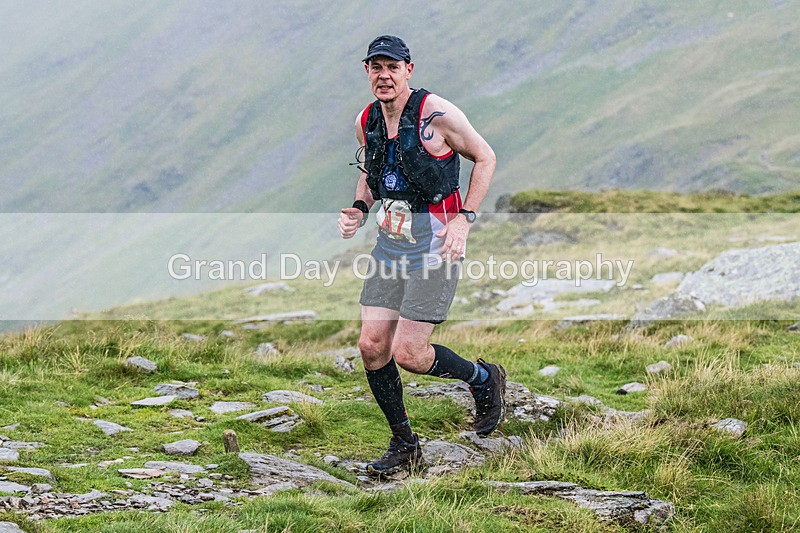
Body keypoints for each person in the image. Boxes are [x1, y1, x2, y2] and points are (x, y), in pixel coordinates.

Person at [338, 35, 506, 475]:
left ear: (408, 69)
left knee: (410, 353)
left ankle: (484, 379)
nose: (384, 75)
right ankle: (404, 443)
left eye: (392, 66)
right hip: (390, 245)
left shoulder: (438, 115)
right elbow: (372, 174)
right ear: (367, 72)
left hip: (436, 245)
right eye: (376, 67)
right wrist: (359, 208)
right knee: (372, 346)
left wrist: (464, 218)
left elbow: (485, 157)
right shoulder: (367, 120)